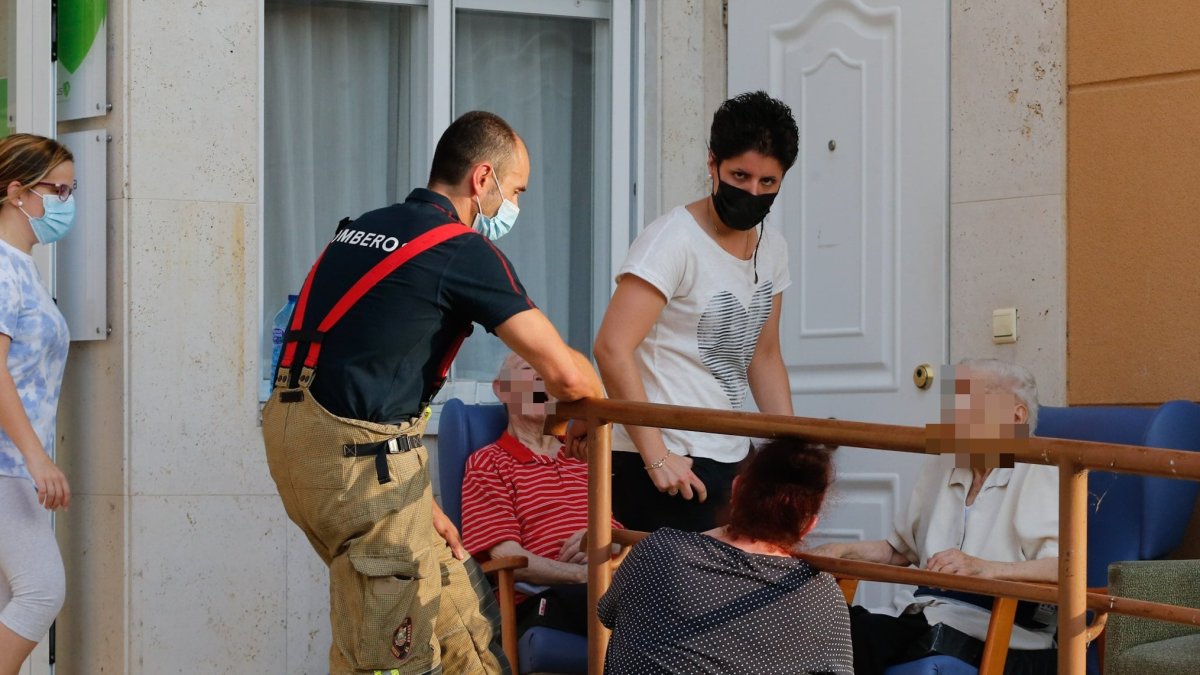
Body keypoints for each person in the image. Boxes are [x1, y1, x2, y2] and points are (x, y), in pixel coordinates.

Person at [261, 111, 604, 675]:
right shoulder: (460, 250)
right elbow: (565, 373)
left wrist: (418, 505)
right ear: (483, 178)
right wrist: (590, 413)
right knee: (393, 656)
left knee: (464, 627)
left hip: (308, 441)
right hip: (358, 463)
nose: (512, 206)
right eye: (515, 191)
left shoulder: (362, 226)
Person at [593, 91, 799, 532]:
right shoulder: (672, 240)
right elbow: (611, 347)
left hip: (728, 452)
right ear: (712, 164)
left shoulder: (774, 247)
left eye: (768, 183)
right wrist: (657, 456)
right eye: (739, 175)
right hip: (663, 455)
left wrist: (789, 456)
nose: (751, 191)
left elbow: (764, 357)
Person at [811, 358, 1059, 674]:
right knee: (822, 621)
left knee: (862, 637)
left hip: (999, 632)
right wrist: (841, 551)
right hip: (922, 615)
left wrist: (983, 568)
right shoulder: (944, 463)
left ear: (1015, 416)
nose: (953, 419)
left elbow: (1062, 568)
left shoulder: (1044, 472)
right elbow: (900, 550)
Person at [597, 438, 853, 675]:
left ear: (736, 487)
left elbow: (606, 613)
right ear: (808, 525)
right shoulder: (819, 592)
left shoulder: (659, 549)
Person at [460, 352, 622, 639]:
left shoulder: (582, 455)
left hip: (606, 584)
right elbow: (506, 557)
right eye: (527, 369)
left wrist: (597, 537)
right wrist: (582, 576)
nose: (540, 378)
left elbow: (618, 538)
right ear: (502, 389)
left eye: (547, 372)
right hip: (544, 598)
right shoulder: (488, 462)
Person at [0, 134, 75, 675]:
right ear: (17, 192)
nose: (67, 203)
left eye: (73, 191)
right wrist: (35, 457)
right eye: (59, 190)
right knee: (40, 592)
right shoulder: (2, 269)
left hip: (14, 466)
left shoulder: (24, 270)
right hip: (6, 464)